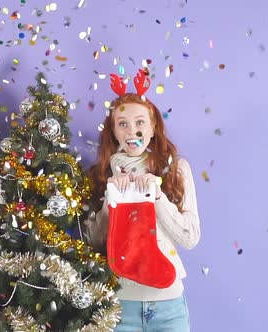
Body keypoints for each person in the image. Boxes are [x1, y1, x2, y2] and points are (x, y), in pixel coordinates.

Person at [85, 70, 200, 332]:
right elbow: (93, 241)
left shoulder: (176, 169)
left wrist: (157, 197)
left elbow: (190, 237)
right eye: (122, 123)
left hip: (168, 306)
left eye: (139, 122)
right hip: (120, 304)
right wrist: (110, 200)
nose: (132, 130)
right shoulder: (102, 174)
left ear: (153, 127)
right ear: (113, 131)